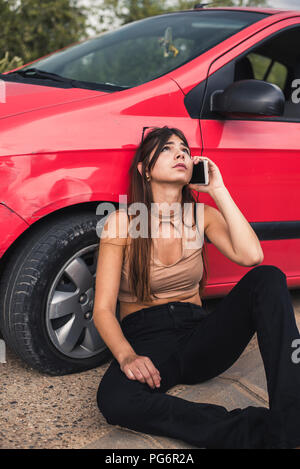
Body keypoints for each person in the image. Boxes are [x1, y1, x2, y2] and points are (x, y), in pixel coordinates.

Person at [93, 126, 300, 449]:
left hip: (200, 336)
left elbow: (252, 256)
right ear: (144, 170)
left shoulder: (202, 215)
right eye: (166, 149)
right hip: (149, 342)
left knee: (269, 277)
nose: (180, 154)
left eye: (185, 150)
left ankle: (290, 419)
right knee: (115, 400)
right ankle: (256, 430)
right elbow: (103, 309)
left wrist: (218, 189)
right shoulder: (121, 222)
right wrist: (128, 356)